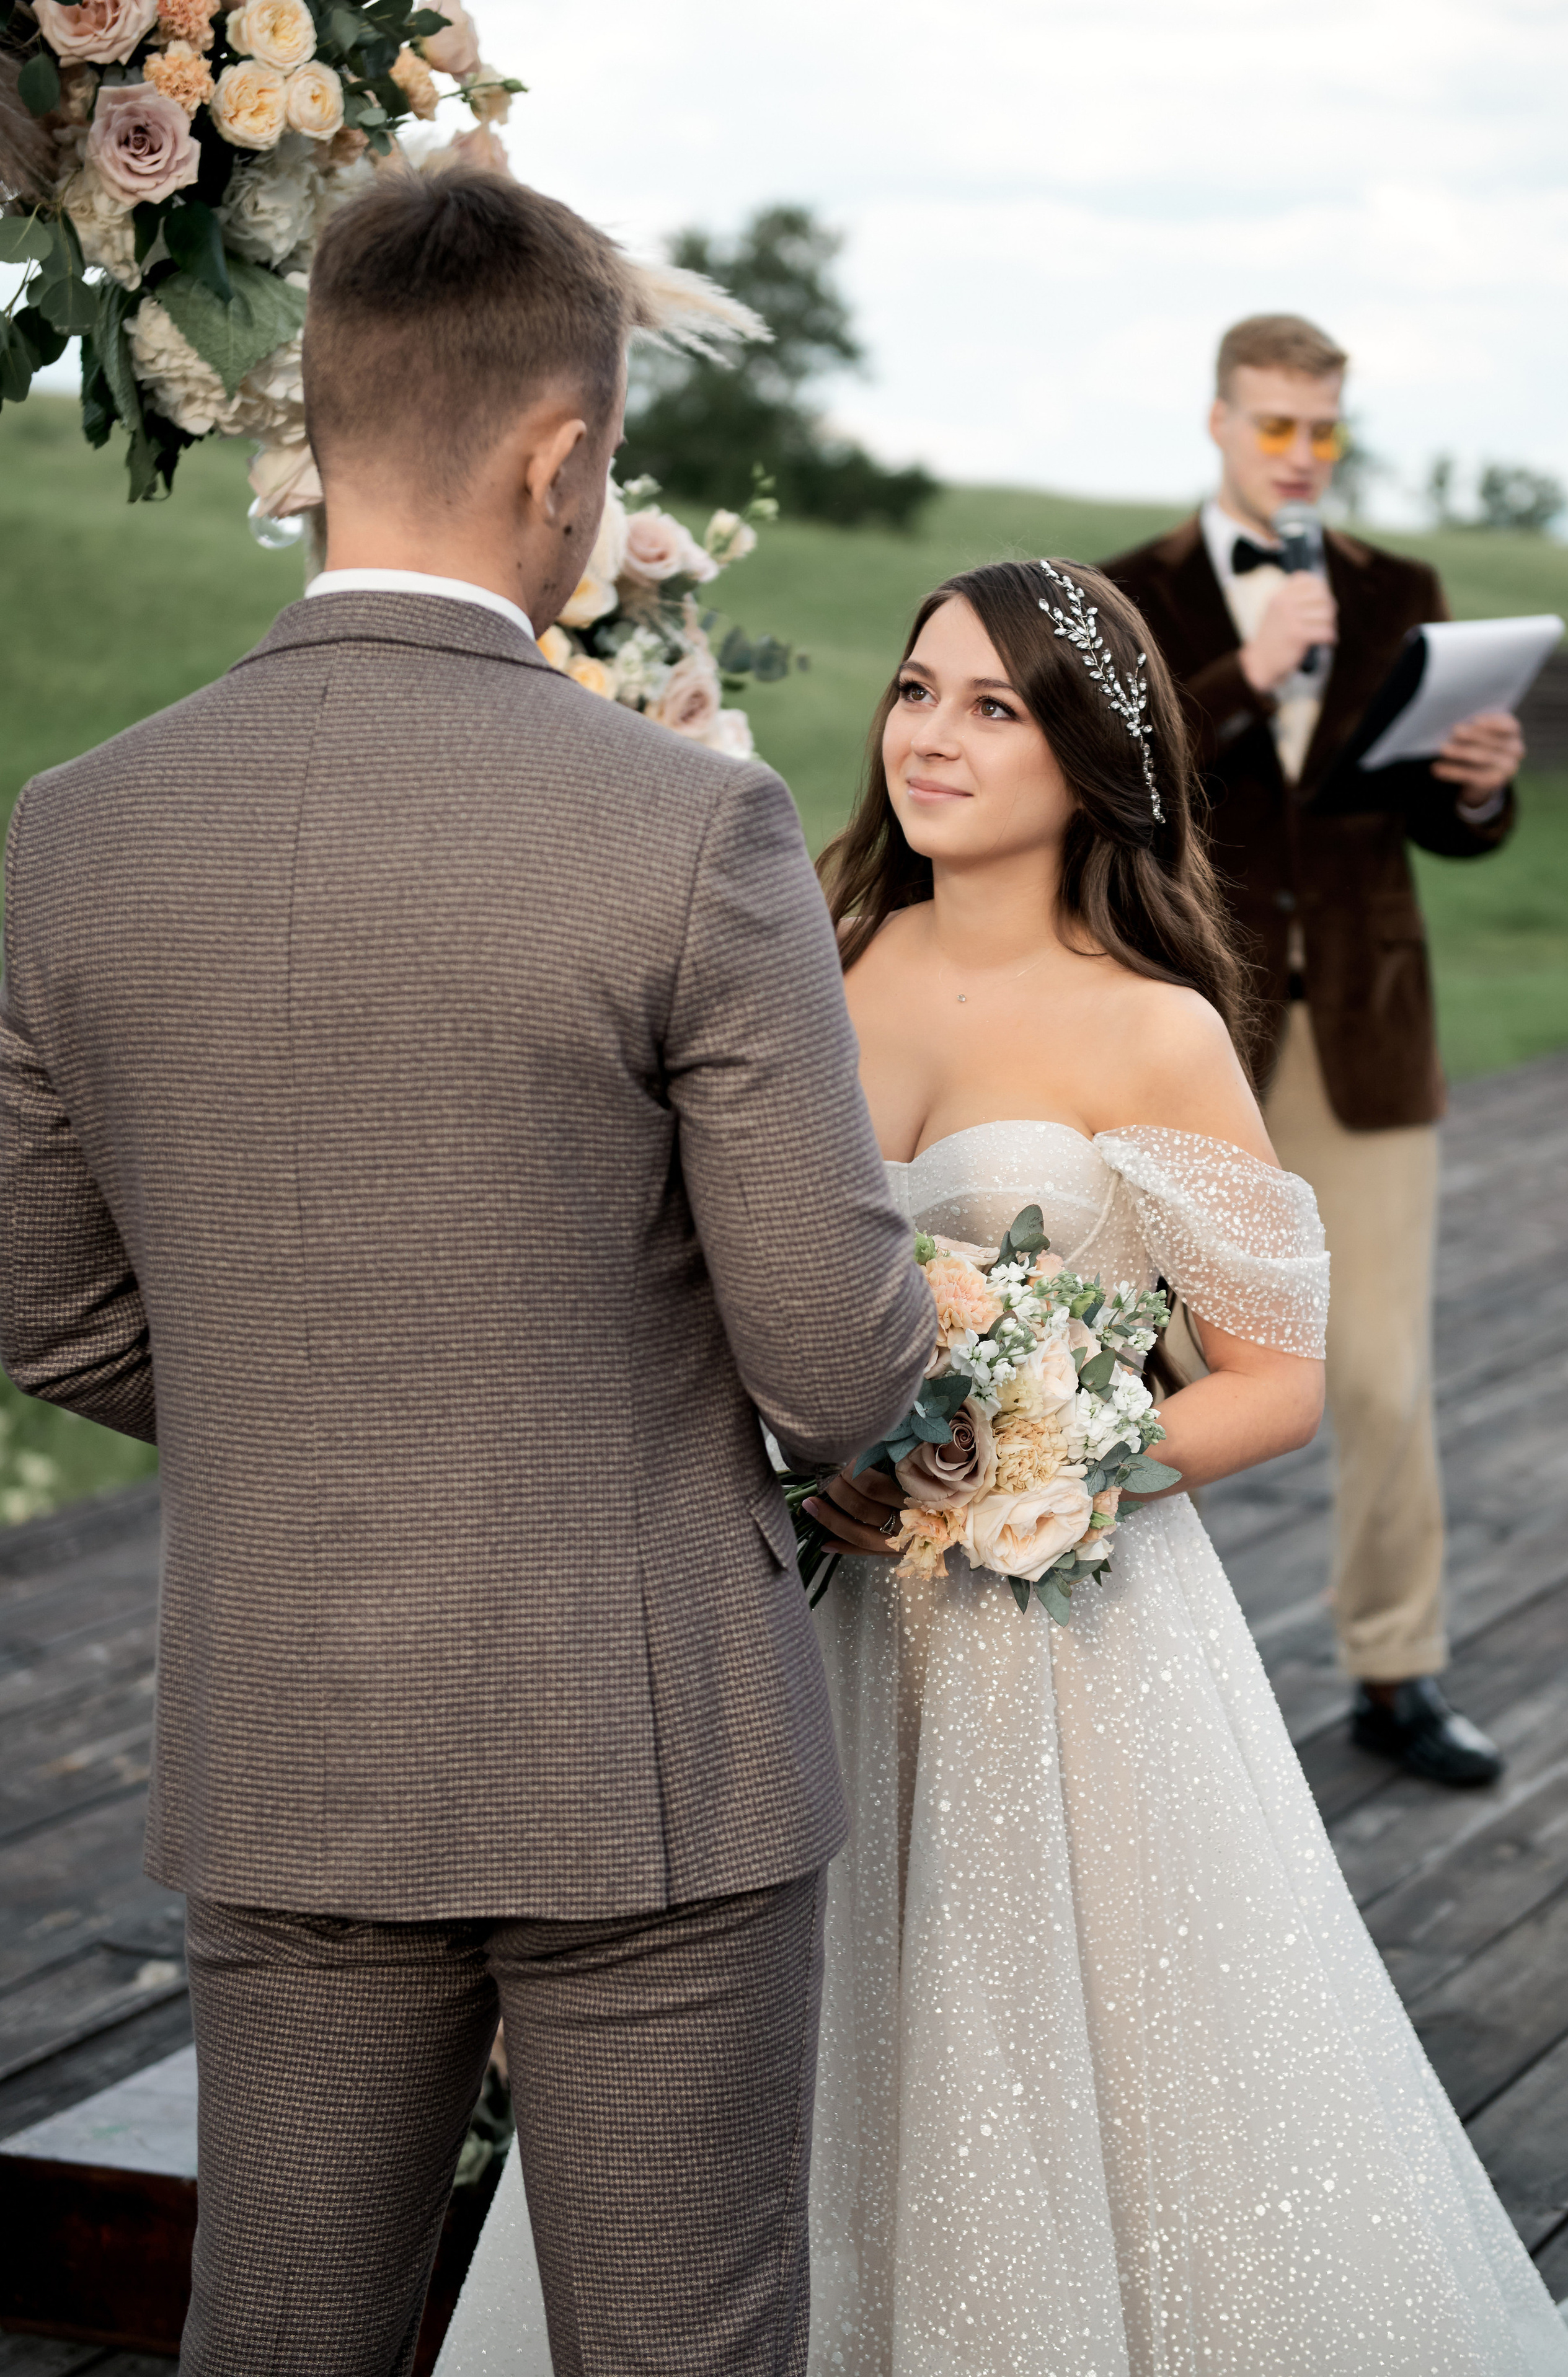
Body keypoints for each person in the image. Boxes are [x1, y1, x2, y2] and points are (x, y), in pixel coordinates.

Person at [440, 560, 1568, 2374]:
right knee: (783, 2078)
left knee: (1049, 2079)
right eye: (916, 690)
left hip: (1065, 1663)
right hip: (802, 1638)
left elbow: (1275, 1381)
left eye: (994, 705)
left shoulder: (1155, 1023)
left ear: (1090, 758)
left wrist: (1050, 1471)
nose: (934, 737)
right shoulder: (798, 950)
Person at [0, 170, 936, 2377]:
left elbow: (40, 1302)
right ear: (562, 455)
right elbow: (834, 1350)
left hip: (289, 1721)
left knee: (281, 2338)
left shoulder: (81, 827)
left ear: (323, 420)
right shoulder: (685, 827)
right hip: (646, 1755)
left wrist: (305, 1408)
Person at [1100, 314, 1523, 1790]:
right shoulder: (1132, 596)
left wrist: (1475, 785)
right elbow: (1114, 789)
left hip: (1362, 1032)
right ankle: (1112, 1669)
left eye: (1320, 429)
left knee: (1384, 1378)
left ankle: (1395, 1676)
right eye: (1272, 425)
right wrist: (1242, 670)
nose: (1298, 454)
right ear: (1217, 422)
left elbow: (1438, 822)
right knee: (1144, 1366)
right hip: (1183, 1037)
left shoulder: (1398, 590)